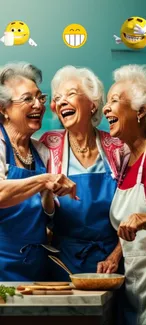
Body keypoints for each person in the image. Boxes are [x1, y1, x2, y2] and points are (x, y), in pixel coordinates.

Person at [40, 65, 125, 280]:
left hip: (111, 260)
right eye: (58, 98)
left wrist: (116, 256)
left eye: (70, 94)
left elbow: (134, 210)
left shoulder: (118, 148)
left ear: (93, 104)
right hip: (64, 260)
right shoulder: (48, 145)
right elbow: (39, 210)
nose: (61, 101)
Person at [0, 62, 77, 281]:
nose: (38, 105)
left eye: (40, 98)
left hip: (35, 265)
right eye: (28, 99)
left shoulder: (41, 150)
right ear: (3, 108)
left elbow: (47, 215)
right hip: (2, 264)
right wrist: (44, 180)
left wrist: (50, 199)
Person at [103, 64, 146, 325]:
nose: (105, 109)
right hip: (136, 291)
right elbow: (132, 232)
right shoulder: (128, 161)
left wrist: (143, 219)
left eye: (114, 100)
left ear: (141, 111)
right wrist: (116, 254)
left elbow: (140, 221)